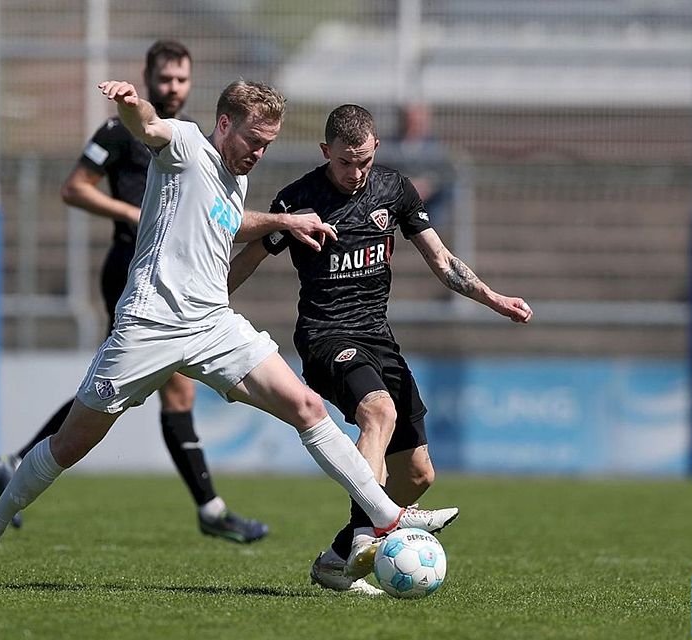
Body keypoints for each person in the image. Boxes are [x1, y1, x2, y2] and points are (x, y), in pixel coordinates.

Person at [0, 79, 459, 589]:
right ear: (224, 124)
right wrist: (131, 104)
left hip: (212, 322)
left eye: (268, 145)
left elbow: (228, 223)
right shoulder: (187, 145)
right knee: (70, 444)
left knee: (306, 407)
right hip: (150, 324)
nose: (258, 153)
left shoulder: (235, 177)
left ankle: (385, 517)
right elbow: (150, 126)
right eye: (253, 140)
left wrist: (280, 221)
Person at [228, 104, 533, 595]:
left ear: (377, 149)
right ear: (325, 151)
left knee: (417, 475)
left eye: (364, 161)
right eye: (345, 162)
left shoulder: (394, 190)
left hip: (378, 338)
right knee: (378, 411)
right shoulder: (299, 200)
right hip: (326, 336)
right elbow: (252, 256)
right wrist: (208, 302)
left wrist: (493, 299)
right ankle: (370, 536)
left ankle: (336, 559)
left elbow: (442, 260)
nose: (356, 172)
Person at [0, 40, 268, 544]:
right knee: (143, 387)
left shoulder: (197, 138)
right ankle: (209, 508)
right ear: (149, 76)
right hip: (133, 267)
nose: (173, 87)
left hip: (177, 273)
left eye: (182, 79)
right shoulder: (124, 131)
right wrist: (133, 214)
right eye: (165, 79)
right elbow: (74, 188)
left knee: (140, 387)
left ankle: (207, 507)